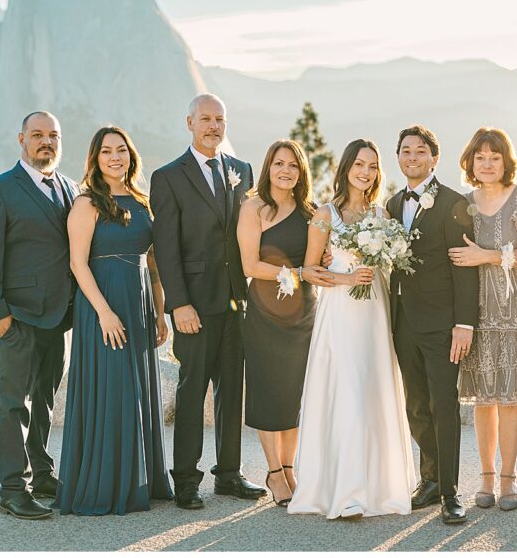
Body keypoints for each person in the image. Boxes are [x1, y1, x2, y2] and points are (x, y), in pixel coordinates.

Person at [288, 139, 415, 520]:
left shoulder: (382, 213)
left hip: (374, 311)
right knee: (346, 390)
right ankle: (344, 492)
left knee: (372, 389)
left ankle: (378, 487)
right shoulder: (325, 215)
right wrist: (346, 278)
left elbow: (393, 260)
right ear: (345, 168)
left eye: (373, 166)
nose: (366, 171)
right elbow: (311, 272)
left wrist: (382, 260)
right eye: (359, 164)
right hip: (340, 313)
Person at [151, 93, 266, 509]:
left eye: (220, 119)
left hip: (237, 302)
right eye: (206, 119)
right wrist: (178, 303)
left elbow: (253, 232)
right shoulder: (168, 177)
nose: (213, 126)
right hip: (194, 306)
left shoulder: (241, 170)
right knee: (192, 390)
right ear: (189, 123)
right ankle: (184, 478)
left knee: (231, 391)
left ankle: (229, 475)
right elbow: (165, 248)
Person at [52, 126, 173, 515]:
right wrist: (104, 313)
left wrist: (159, 312)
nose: (115, 157)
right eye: (106, 152)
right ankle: (105, 483)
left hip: (139, 304)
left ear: (131, 155)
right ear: (96, 158)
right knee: (111, 389)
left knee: (136, 391)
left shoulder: (142, 200)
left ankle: (141, 479)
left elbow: (152, 263)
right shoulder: (87, 203)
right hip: (103, 304)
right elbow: (77, 263)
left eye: (121, 150)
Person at [0, 110, 79, 520]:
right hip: (15, 316)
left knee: (46, 401)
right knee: (14, 403)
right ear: (21, 140)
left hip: (60, 317)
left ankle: (43, 474)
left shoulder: (70, 188)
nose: (45, 142)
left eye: (53, 135)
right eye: (37, 135)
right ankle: (13, 489)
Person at [385, 125, 480, 525]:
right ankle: (428, 479)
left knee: (444, 406)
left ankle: (450, 492)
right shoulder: (391, 206)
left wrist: (464, 323)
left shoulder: (454, 203)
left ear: (434, 158)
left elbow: (464, 268)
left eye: (420, 151)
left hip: (443, 324)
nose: (412, 157)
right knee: (416, 404)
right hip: (402, 320)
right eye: (405, 151)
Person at [448, 127, 517, 512]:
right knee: (483, 399)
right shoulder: (463, 203)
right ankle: (485, 476)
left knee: (508, 396)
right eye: (480, 157)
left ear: (506, 161)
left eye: (494, 157)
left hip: (513, 306)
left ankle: (509, 477)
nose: (487, 163)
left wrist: (485, 256)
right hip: (476, 310)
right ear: (470, 161)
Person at [237, 139, 328, 507]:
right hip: (265, 312)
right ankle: (274, 473)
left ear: (301, 171)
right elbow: (250, 266)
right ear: (268, 168)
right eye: (279, 164)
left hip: (303, 312)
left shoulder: (310, 212)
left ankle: (290, 468)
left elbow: (320, 258)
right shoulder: (253, 207)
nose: (286, 170)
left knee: (294, 394)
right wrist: (295, 272)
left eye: (293, 165)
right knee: (269, 392)